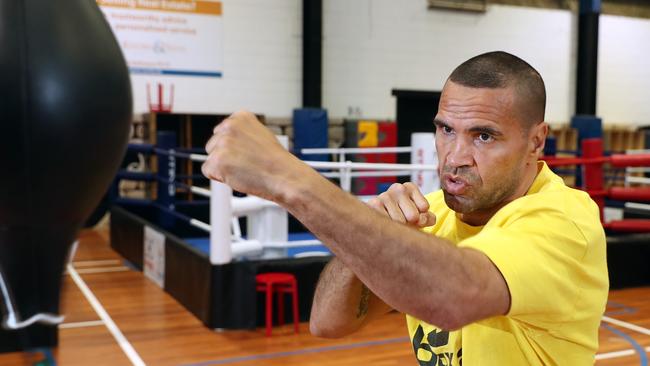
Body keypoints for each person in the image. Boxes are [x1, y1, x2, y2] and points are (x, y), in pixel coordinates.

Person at [202, 51, 608, 365]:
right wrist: (373, 230)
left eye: (483, 136)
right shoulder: (433, 213)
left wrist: (289, 179)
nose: (456, 156)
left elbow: (456, 298)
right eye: (446, 130)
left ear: (536, 142)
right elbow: (329, 323)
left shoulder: (564, 220)